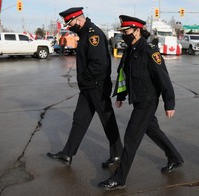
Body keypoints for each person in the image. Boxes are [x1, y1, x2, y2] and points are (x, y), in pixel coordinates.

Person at [98, 15, 183, 190]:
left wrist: (169, 103)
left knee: (131, 137)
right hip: (137, 99)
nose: (123, 35)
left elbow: (163, 77)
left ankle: (120, 178)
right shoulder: (131, 48)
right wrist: (121, 95)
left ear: (137, 31)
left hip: (148, 100)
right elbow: (125, 74)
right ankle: (174, 157)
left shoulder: (149, 50)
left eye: (126, 31)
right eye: (122, 32)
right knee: (152, 130)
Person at [47, 7, 123, 168]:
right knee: (79, 119)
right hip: (89, 86)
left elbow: (99, 63)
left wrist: (84, 77)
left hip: (97, 86)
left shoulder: (93, 34)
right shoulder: (85, 33)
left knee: (107, 120)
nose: (69, 26)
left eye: (70, 23)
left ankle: (117, 154)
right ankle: (67, 154)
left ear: (78, 20)